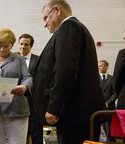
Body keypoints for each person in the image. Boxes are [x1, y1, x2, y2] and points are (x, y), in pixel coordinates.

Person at [32, 0, 106, 143]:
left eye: (46, 17)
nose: (45, 23)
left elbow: (65, 70)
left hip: (70, 116)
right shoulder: (72, 29)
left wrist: (54, 107)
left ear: (57, 10)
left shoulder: (69, 26)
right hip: (69, 114)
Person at [18, 33, 40, 144]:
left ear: (31, 46)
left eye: (26, 44)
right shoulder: (13, 59)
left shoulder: (38, 60)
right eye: (21, 44)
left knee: (35, 133)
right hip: (17, 102)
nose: (23, 46)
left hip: (33, 102)